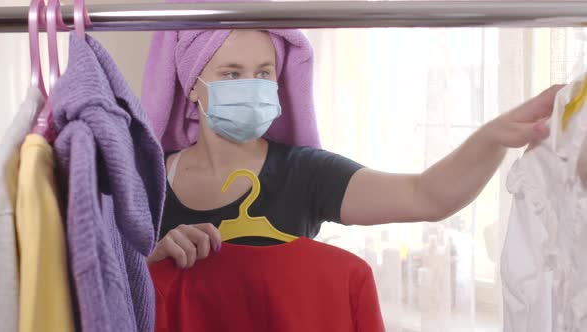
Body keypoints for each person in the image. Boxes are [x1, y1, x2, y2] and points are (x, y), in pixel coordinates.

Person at [142, 28, 563, 269]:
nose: (252, 86)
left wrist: (492, 136)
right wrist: (151, 261)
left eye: (263, 72)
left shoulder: (305, 174)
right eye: (232, 74)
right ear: (193, 86)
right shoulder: (145, 180)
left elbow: (427, 195)